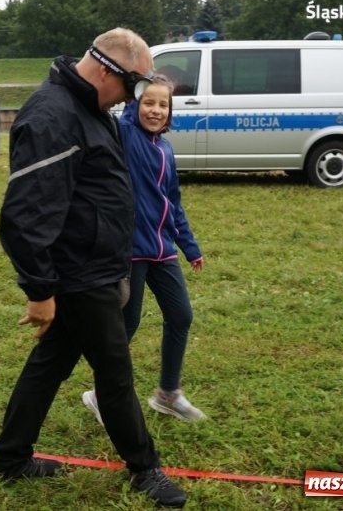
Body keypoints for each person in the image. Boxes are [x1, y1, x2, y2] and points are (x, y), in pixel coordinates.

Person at [0, 28, 188, 508]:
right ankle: (145, 470)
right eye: (134, 85)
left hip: (95, 266)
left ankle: (9, 458)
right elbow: (24, 215)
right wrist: (39, 291)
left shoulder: (91, 108)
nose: (136, 98)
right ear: (105, 70)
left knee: (48, 365)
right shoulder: (52, 115)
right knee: (115, 376)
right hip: (80, 275)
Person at [82, 74, 206, 424]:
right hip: (130, 251)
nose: (155, 110)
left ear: (170, 111)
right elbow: (118, 117)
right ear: (135, 106)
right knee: (127, 324)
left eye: (163, 104)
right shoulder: (127, 136)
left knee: (181, 316)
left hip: (162, 249)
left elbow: (173, 202)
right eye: (148, 103)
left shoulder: (165, 149)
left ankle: (168, 394)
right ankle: (101, 396)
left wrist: (189, 246)